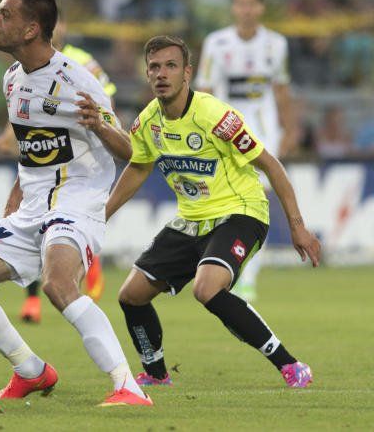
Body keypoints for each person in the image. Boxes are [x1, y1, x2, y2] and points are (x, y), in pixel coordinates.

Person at [0, 0, 152, 407]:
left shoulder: (78, 81)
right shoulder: (12, 79)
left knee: (56, 283)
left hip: (76, 201)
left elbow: (133, 152)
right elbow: (30, 147)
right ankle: (30, 370)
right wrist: (16, 193)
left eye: (5, 14)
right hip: (32, 207)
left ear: (32, 29)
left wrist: (101, 126)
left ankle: (127, 384)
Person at [105, 35, 320, 390]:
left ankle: (291, 365)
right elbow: (139, 167)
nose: (162, 74)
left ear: (187, 73)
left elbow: (271, 165)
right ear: (146, 73)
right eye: (154, 67)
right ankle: (156, 374)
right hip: (192, 219)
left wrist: (297, 226)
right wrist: (102, 214)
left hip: (241, 211)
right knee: (131, 295)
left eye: (171, 66)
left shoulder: (215, 116)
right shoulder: (147, 123)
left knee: (206, 288)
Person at [2, 17, 117, 324]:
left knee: (62, 228)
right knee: (34, 226)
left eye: (59, 23)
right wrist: (7, 136)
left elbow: (106, 102)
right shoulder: (23, 68)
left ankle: (86, 264)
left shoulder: (83, 63)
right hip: (41, 157)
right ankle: (32, 301)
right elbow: (23, 110)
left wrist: (103, 130)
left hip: (77, 161)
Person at [195, 0, 295, 301]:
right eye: (241, 3)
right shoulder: (216, 43)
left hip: (264, 131)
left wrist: (289, 128)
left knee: (259, 202)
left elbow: (281, 89)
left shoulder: (276, 44)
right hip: (226, 129)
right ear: (233, 8)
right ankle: (228, 268)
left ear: (261, 7)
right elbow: (205, 90)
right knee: (230, 203)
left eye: (252, 3)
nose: (246, 9)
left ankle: (248, 277)